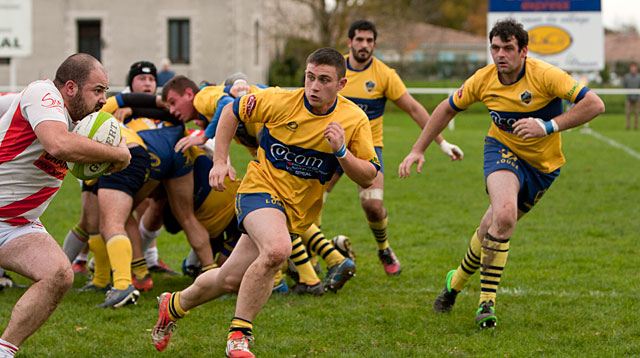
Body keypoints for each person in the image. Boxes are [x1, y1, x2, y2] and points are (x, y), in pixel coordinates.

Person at [150, 47, 379, 357]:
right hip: (259, 190)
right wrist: (220, 159)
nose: (313, 86)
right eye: (309, 77)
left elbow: (368, 175)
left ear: (341, 84)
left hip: (295, 211)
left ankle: (173, 305)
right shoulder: (280, 100)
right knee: (278, 250)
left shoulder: (353, 120)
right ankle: (239, 336)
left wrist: (341, 151)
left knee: (230, 278)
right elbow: (232, 110)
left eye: (324, 80)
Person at [398, 19, 605, 328]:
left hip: (542, 167)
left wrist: (548, 126)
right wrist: (418, 148)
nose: (500, 55)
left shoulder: (546, 75)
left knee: (491, 227)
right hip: (501, 150)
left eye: (508, 48)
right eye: (495, 48)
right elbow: (446, 108)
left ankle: (453, 285)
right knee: (505, 215)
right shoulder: (483, 79)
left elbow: (595, 104)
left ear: (524, 51)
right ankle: (486, 303)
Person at [0, 53, 131, 356]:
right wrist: (117, 155)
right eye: (98, 91)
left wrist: (120, 154)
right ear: (70, 87)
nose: (103, 100)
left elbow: (120, 150)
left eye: (106, 93)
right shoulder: (43, 94)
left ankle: (5, 351)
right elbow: (57, 144)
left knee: (59, 273)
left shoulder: (81, 124)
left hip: (18, 223)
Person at [322, 19, 464, 276]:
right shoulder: (334, 69)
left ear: (374, 44)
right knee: (312, 201)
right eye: (359, 39)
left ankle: (383, 248)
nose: (364, 45)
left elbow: (413, 108)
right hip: (330, 144)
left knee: (373, 205)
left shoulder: (384, 75)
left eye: (369, 41)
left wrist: (441, 143)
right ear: (349, 42)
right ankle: (315, 255)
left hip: (368, 148)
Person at [623, 62, 640, 130]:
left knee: (636, 113)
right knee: (628, 113)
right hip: (628, 98)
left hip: (637, 98)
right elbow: (624, 85)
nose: (633, 69)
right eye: (631, 68)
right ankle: (628, 126)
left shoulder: (639, 77)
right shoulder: (627, 77)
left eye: (634, 68)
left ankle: (636, 126)